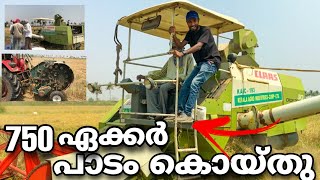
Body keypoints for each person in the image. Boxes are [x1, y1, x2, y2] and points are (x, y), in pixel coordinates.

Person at [169, 10, 221, 121]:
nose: (192, 24)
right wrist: (173, 35)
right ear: (187, 22)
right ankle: (180, 112)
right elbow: (180, 45)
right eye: (189, 22)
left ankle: (188, 114)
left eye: (194, 21)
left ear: (198, 20)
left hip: (211, 62)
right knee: (186, 85)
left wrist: (183, 53)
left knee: (195, 83)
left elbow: (198, 46)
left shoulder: (205, 30)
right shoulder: (190, 33)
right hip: (201, 63)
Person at [137, 44, 194, 120]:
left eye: (175, 47)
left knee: (164, 88)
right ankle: (154, 113)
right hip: (168, 80)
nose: (173, 49)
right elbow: (161, 73)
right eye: (172, 48)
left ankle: (163, 113)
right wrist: (145, 77)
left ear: (181, 48)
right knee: (150, 87)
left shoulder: (188, 57)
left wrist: (181, 80)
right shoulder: (170, 60)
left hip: (179, 82)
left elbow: (190, 74)